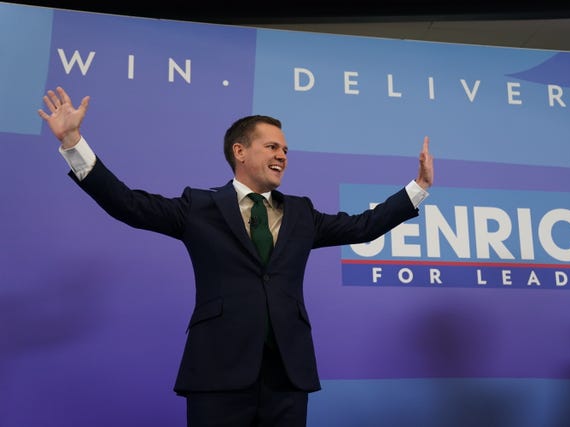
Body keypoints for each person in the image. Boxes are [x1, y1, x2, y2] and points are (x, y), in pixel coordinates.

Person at [38, 86, 434, 427]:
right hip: (217, 374)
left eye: (285, 149)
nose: (282, 155)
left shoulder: (301, 213)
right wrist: (73, 144)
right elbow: (127, 203)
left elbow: (363, 227)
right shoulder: (199, 206)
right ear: (240, 151)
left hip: (287, 377)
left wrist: (416, 188)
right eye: (272, 146)